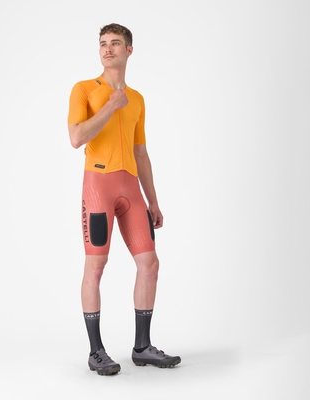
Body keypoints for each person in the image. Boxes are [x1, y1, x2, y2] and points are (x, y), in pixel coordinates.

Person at [67, 23, 181, 376]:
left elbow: (141, 153)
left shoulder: (138, 99)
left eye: (116, 43)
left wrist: (153, 201)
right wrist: (110, 106)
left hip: (131, 188)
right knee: (96, 266)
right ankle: (96, 351)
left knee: (150, 264)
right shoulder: (84, 89)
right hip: (97, 187)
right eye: (103, 43)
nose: (108, 48)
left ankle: (142, 347)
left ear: (129, 50)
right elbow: (76, 137)